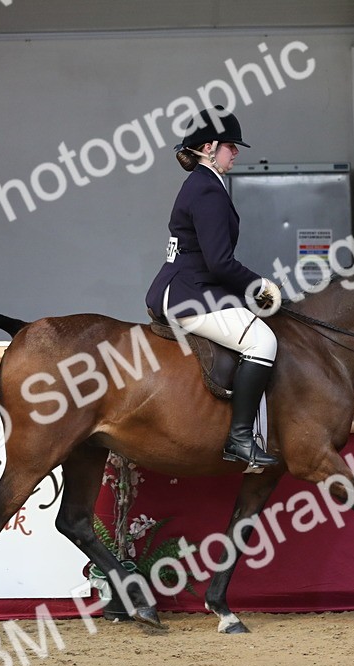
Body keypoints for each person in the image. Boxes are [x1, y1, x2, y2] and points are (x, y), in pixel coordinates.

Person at [145, 107, 281, 468]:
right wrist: (260, 285)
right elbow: (220, 262)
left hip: (195, 285)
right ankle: (239, 438)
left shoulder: (205, 186)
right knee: (262, 341)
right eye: (229, 146)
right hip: (188, 292)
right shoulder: (207, 190)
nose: (235, 152)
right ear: (208, 148)